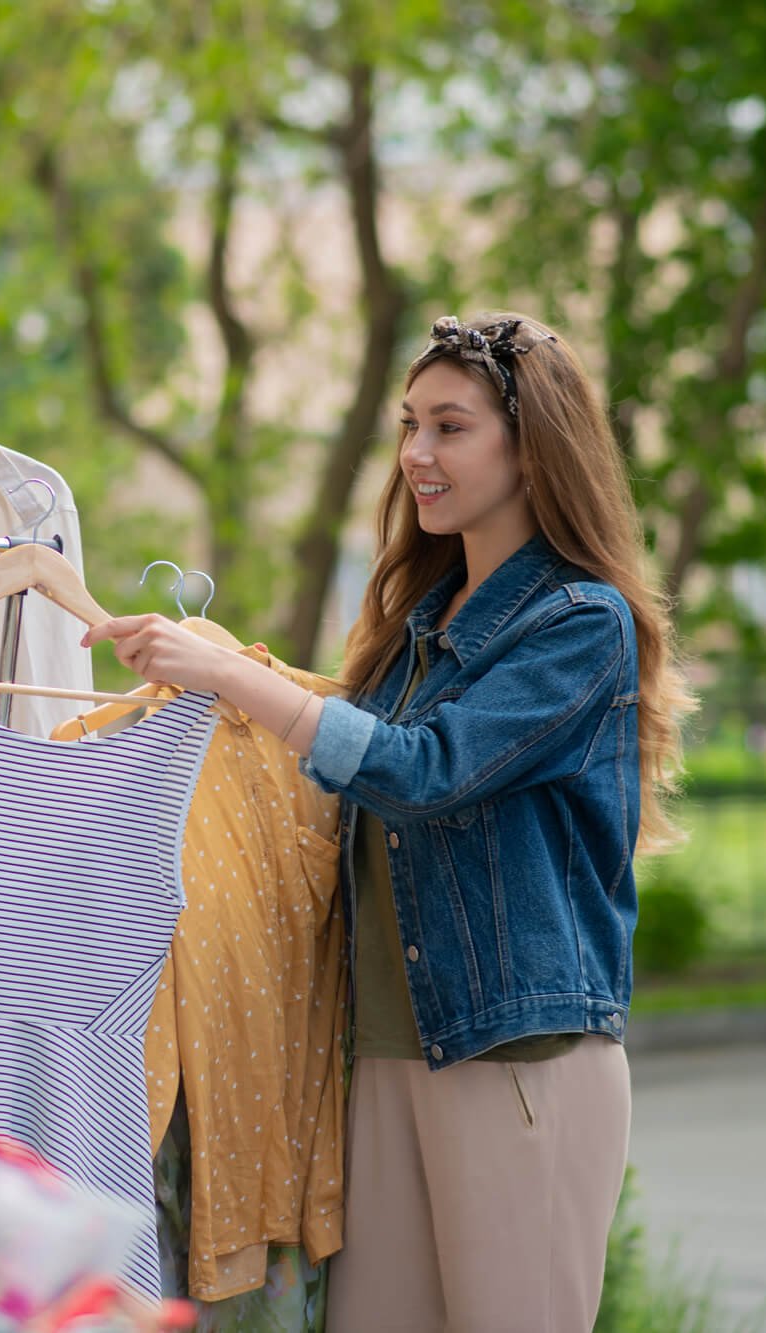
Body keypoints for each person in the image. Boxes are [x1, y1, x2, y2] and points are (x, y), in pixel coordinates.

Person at [85, 313, 691, 1331]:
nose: (415, 453)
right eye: (409, 425)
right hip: (385, 1060)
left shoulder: (579, 624)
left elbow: (424, 770)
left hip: (514, 1064)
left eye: (448, 427)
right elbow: (329, 782)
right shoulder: (418, 630)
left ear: (530, 444)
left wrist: (232, 672)